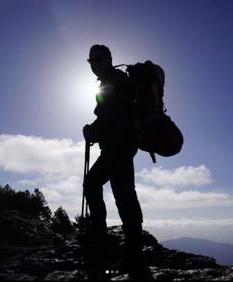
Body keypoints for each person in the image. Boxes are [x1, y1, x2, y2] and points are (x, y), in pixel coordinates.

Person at [82, 44, 150, 280]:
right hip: (119, 146)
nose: (96, 64)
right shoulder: (113, 80)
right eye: (92, 61)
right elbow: (108, 116)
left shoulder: (114, 81)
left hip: (118, 146)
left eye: (99, 59)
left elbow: (111, 116)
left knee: (99, 185)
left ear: (110, 59)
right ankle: (130, 249)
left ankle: (106, 238)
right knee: (123, 193)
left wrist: (93, 131)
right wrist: (95, 130)